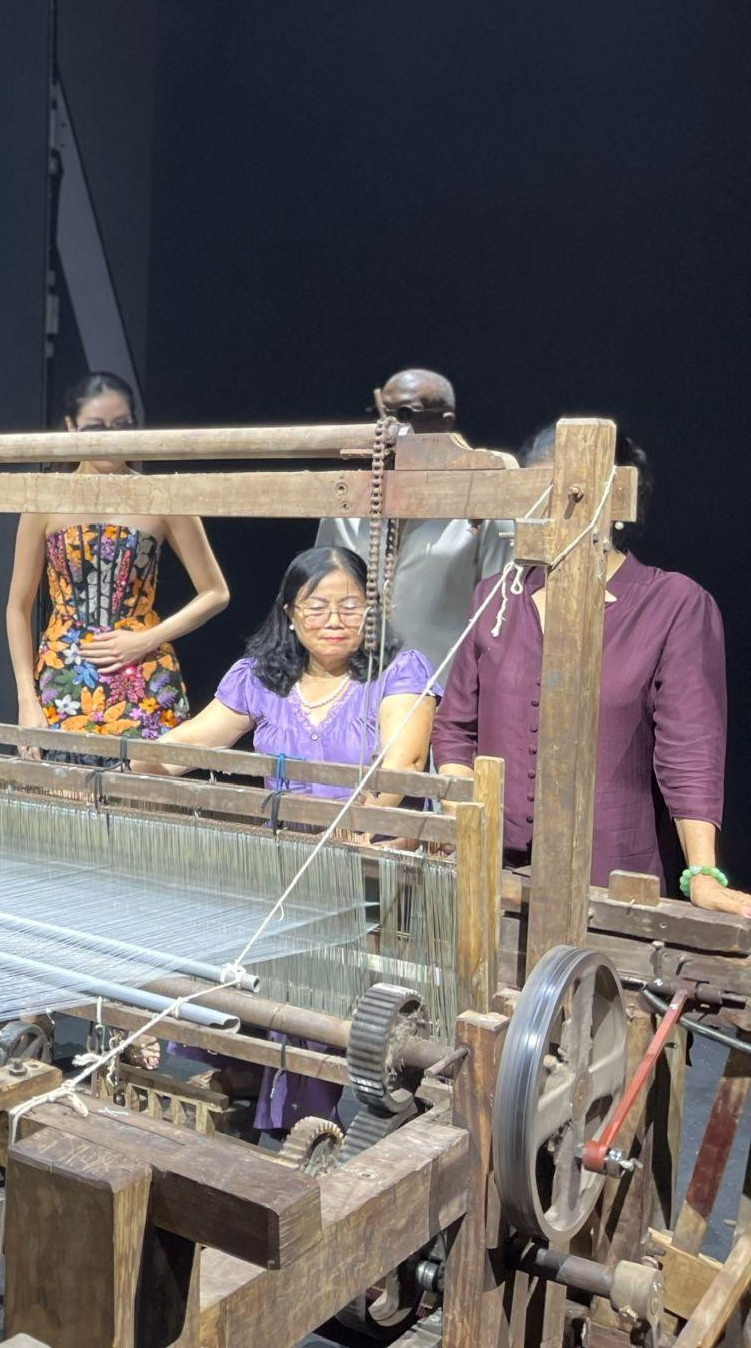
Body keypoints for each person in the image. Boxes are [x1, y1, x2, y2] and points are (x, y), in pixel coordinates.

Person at [142, 546, 439, 1135]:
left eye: (350, 606)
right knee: (216, 919)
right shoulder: (261, 678)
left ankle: (302, 1104)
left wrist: (348, 831)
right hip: (287, 864)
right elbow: (192, 743)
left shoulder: (399, 671)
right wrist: (130, 762)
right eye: (317, 606)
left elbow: (401, 765)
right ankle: (245, 1069)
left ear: (371, 611)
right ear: (290, 613)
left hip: (369, 869)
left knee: (315, 964)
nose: (334, 620)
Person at [432, 429, 747, 912]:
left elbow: (691, 750)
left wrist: (702, 874)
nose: (541, 510)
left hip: (612, 885)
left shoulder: (673, 604)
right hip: (492, 880)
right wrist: (461, 824)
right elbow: (456, 728)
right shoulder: (496, 596)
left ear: (611, 501)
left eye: (558, 495)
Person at [7, 372, 228, 742]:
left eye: (121, 425)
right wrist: (26, 699)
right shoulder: (44, 500)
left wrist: (148, 638)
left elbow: (216, 592)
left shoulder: (162, 497)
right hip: (63, 676)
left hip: (143, 672)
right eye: (95, 427)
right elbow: (17, 607)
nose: (110, 438)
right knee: (62, 777)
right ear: (71, 427)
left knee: (145, 778)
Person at [317, 369, 512, 685]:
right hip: (353, 691)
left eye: (406, 414)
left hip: (443, 693)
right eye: (384, 415)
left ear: (446, 423)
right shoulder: (347, 504)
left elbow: (502, 616)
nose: (391, 428)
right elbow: (318, 591)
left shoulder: (483, 505)